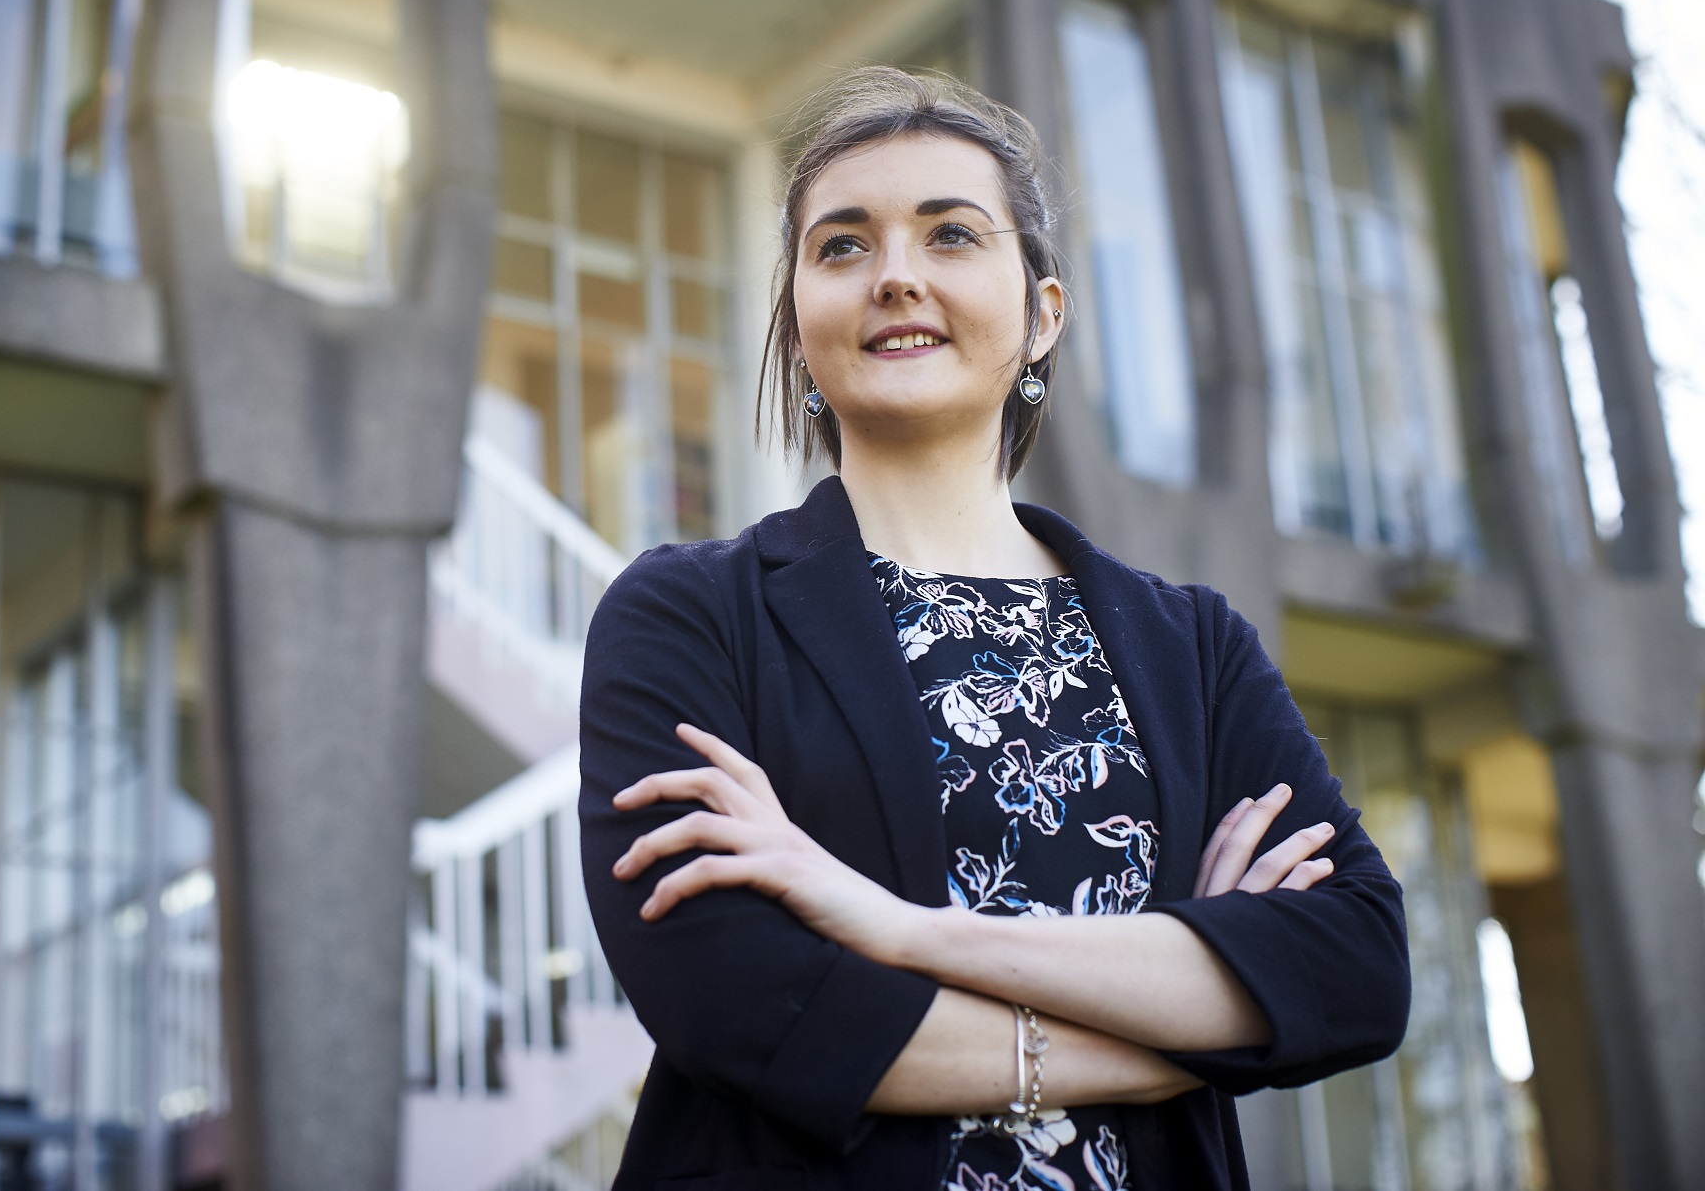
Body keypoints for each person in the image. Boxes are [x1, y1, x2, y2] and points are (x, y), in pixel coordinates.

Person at [577, 67, 1409, 1191]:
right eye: (841, 247)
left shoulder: (1191, 646)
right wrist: (1182, 1023)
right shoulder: (690, 614)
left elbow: (1353, 968)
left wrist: (893, 928)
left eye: (951, 236)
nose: (895, 277)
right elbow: (739, 1005)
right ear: (798, 322)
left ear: (1041, 313)